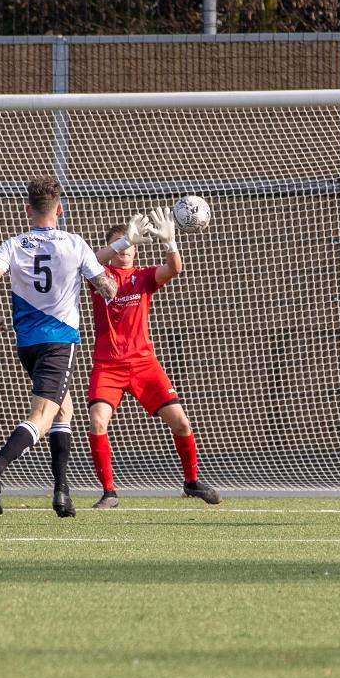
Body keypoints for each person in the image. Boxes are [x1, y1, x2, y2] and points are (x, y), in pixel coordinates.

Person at [0, 176, 118, 517]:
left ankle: (61, 492)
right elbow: (108, 289)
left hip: (27, 344)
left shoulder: (14, 244)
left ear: (28, 209)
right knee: (41, 416)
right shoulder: (74, 243)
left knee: (63, 409)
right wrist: (112, 270)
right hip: (59, 342)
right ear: (60, 209)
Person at [85, 207, 221, 508]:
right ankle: (109, 492)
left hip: (144, 364)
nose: (125, 250)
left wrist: (170, 242)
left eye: (129, 244)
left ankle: (191, 482)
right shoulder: (99, 276)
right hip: (108, 366)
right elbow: (90, 261)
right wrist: (123, 240)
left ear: (137, 250)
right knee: (97, 421)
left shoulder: (143, 277)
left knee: (181, 423)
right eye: (119, 244)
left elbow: (174, 269)